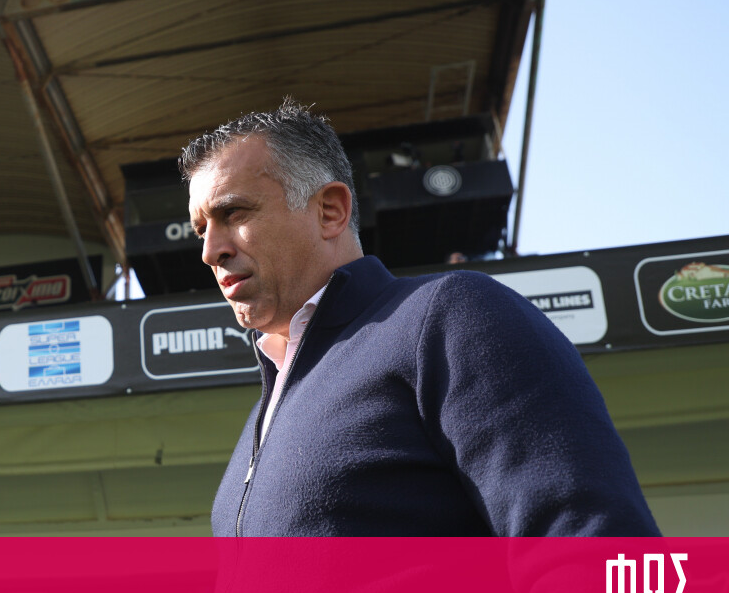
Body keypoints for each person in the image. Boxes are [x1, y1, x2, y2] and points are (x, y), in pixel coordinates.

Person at [181, 99, 660, 536]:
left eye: (234, 213)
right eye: (201, 230)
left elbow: (594, 546)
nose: (209, 251)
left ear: (330, 211)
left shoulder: (453, 316)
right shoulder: (265, 408)